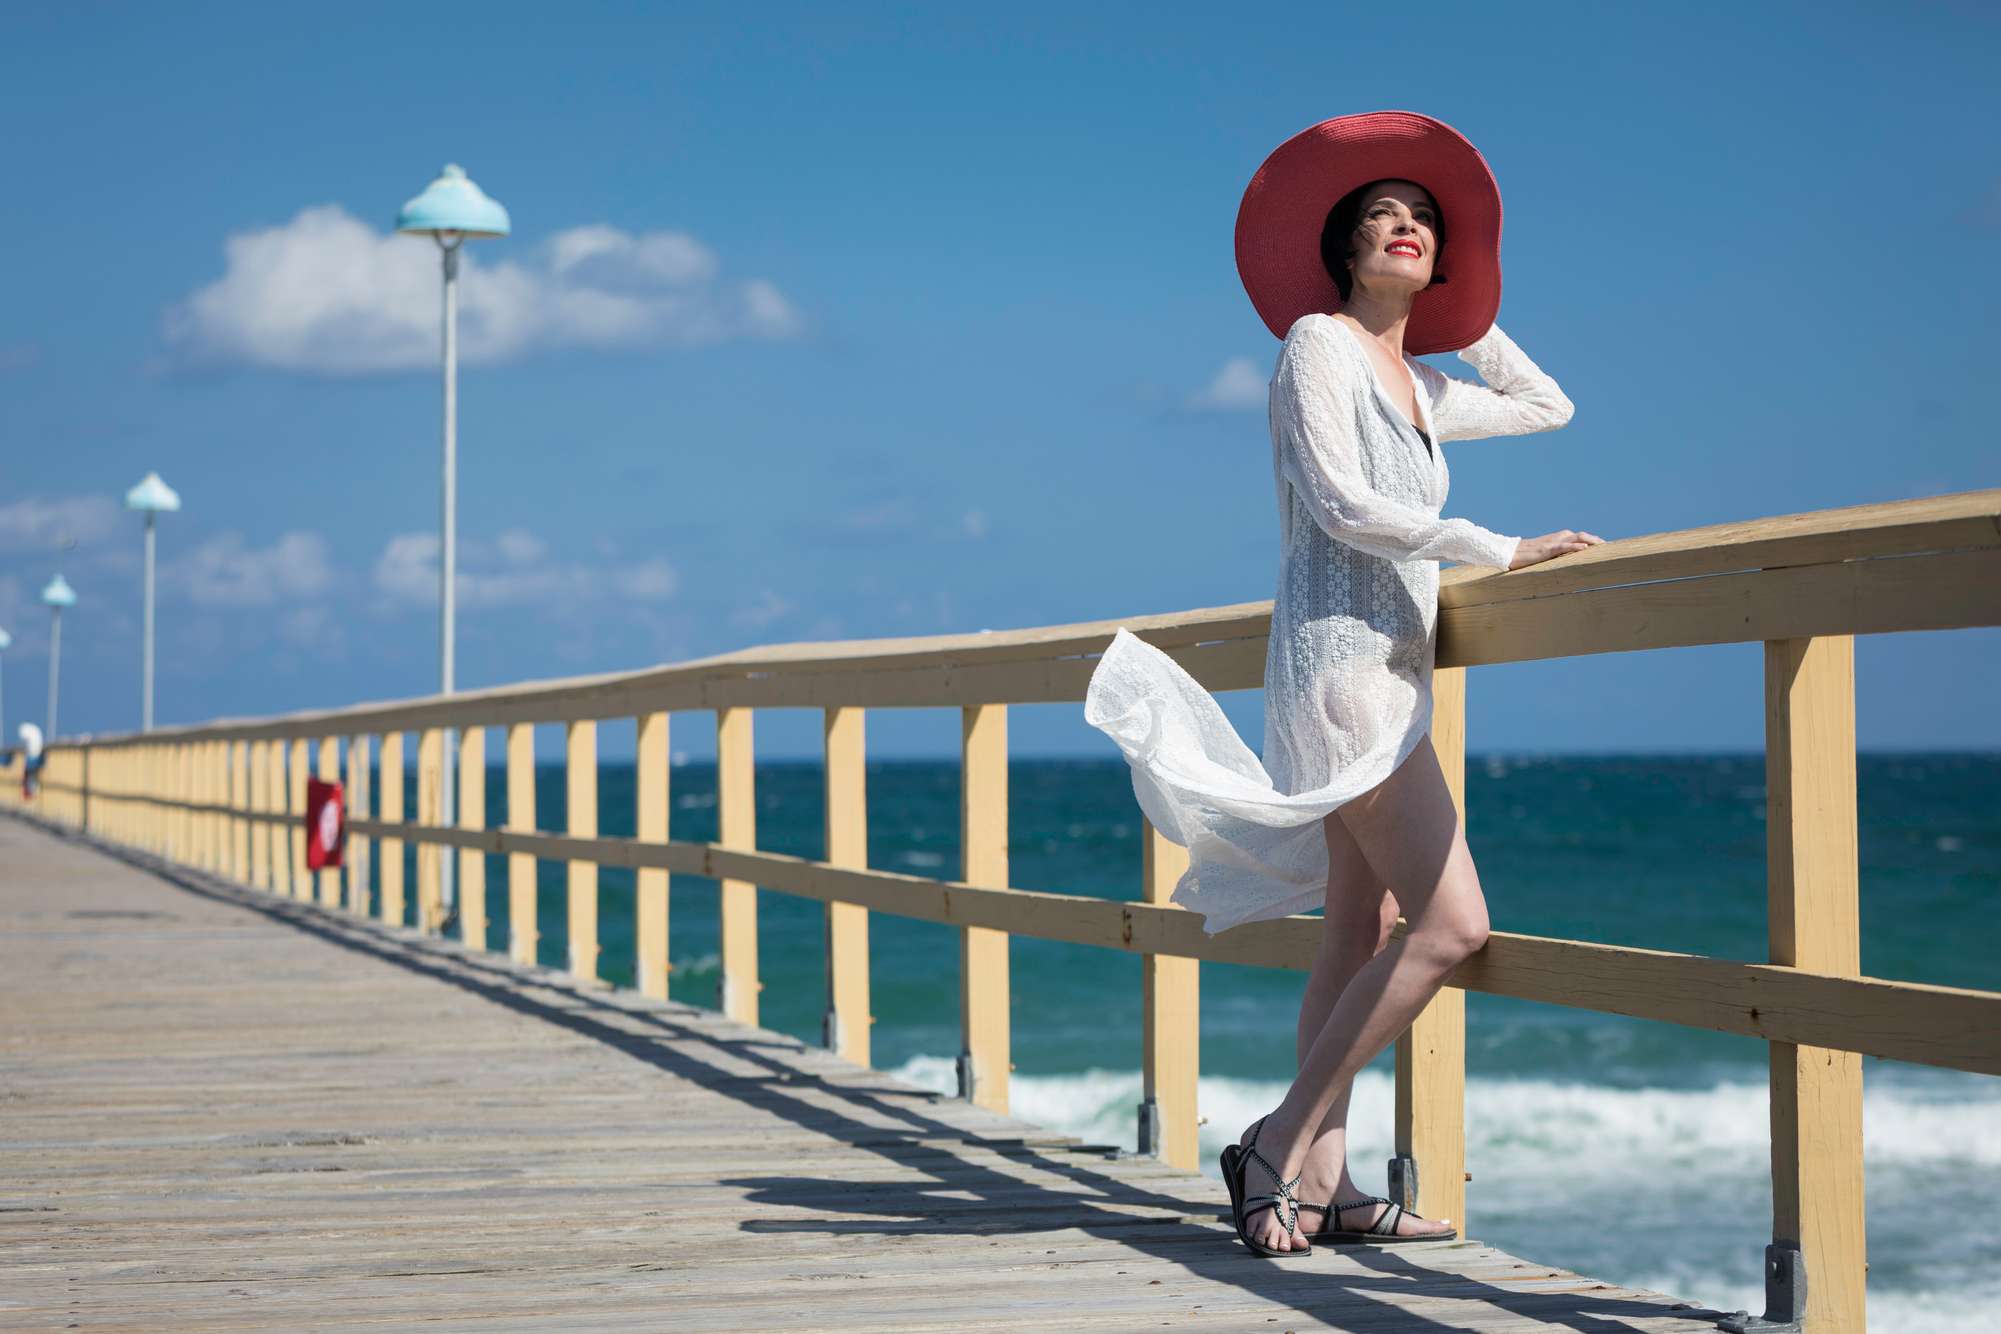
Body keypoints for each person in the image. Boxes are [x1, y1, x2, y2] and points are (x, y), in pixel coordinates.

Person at [1083, 110, 1603, 1257]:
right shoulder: (1317, 346)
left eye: (1422, 221)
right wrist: (1500, 547)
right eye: (1381, 220)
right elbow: (1341, 506)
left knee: (1355, 933)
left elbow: (1544, 403)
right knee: (1454, 923)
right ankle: (1275, 1141)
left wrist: (1465, 308)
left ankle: (1325, 1185)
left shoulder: (1417, 381)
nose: (1405, 227)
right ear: (1341, 254)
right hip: (1340, 676)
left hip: (1391, 674)